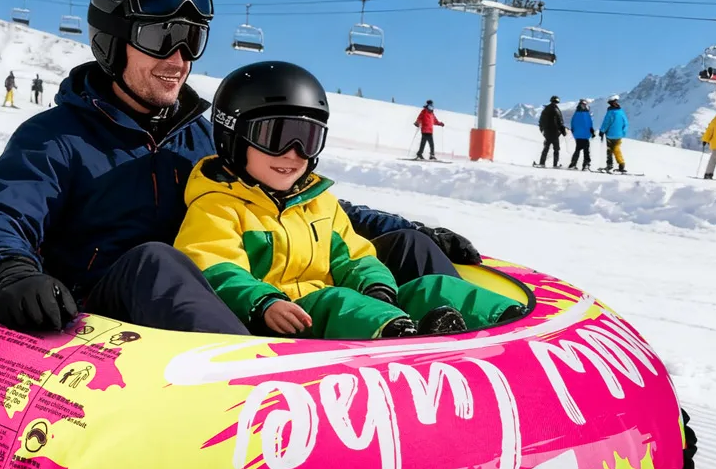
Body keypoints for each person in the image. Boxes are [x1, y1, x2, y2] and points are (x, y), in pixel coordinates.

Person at [0, 0, 481, 335]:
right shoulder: (57, 138)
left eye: (192, 41)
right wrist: (10, 273)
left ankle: (460, 370)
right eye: (162, 39)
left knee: (407, 249)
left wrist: (403, 228)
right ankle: (254, 388)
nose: (179, 59)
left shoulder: (205, 136)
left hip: (232, 286)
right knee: (157, 260)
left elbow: (303, 204)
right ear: (110, 43)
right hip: (116, 304)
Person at [175, 61, 522, 340]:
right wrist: (263, 302)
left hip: (346, 310)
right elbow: (216, 270)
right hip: (283, 321)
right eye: (275, 137)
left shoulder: (319, 203)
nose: (293, 154)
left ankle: (512, 325)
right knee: (337, 299)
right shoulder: (216, 205)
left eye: (307, 140)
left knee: (430, 287)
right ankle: (405, 337)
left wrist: (378, 287)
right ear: (232, 136)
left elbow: (355, 256)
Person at [599, 96, 629, 173]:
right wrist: (623, 132)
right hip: (619, 135)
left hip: (610, 135)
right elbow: (626, 123)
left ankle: (610, 165)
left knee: (609, 150)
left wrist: (602, 131)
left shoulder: (610, 112)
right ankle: (621, 164)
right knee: (617, 149)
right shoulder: (621, 112)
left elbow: (606, 123)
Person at [536, 96, 567, 167]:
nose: (555, 103)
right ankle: (554, 164)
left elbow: (541, 122)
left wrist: (543, 130)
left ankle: (542, 163)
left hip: (548, 132)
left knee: (546, 148)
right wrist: (562, 130)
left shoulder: (546, 109)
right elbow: (559, 121)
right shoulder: (555, 109)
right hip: (554, 132)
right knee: (556, 149)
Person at [567, 99, 594, 170]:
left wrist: (574, 132)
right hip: (585, 135)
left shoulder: (576, 114)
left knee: (578, 149)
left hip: (577, 135)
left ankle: (573, 164)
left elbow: (572, 123)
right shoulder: (586, 114)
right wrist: (592, 131)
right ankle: (586, 165)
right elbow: (589, 124)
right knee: (586, 150)